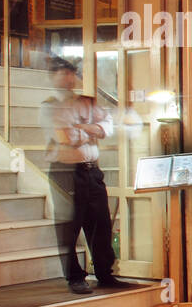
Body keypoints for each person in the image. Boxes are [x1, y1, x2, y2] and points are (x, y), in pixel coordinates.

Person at [41, 57, 132, 294]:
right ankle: (75, 276)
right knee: (70, 225)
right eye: (62, 74)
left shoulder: (86, 102)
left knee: (100, 222)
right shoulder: (50, 106)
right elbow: (66, 137)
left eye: (70, 73)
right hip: (66, 171)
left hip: (91, 169)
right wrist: (90, 130)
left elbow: (107, 126)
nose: (68, 78)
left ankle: (105, 272)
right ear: (52, 77)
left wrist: (86, 129)